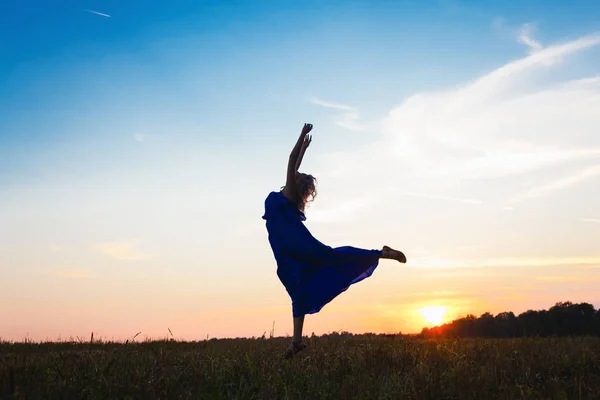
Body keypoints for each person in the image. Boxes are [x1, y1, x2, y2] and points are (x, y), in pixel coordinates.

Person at [262, 123, 407, 359]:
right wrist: (304, 149)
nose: (295, 173)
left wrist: (300, 137)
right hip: (289, 251)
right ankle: (296, 342)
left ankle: (381, 252)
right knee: (301, 286)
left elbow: (291, 162)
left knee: (325, 263)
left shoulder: (286, 195)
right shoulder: (287, 196)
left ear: (296, 184)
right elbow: (294, 164)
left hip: (294, 247)